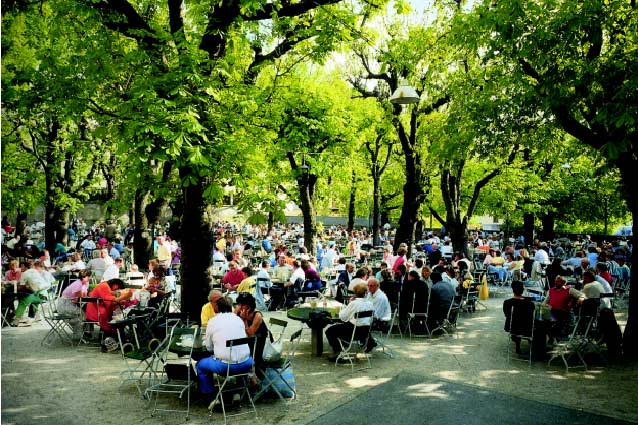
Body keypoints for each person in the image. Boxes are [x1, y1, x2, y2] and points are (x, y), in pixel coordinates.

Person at [196, 296, 253, 408]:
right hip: (247, 362)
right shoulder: (238, 320)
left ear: (217, 307)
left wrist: (216, 348)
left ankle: (212, 398)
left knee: (200, 365)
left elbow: (209, 347)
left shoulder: (213, 321)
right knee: (240, 359)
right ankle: (238, 392)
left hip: (224, 366)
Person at [325, 283, 374, 360]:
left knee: (329, 330)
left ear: (355, 293)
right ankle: (342, 347)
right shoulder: (370, 304)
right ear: (366, 293)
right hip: (365, 332)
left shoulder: (354, 303)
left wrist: (347, 306)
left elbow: (343, 317)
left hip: (353, 331)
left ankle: (338, 351)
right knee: (341, 326)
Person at [12, 260, 51, 326]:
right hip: (45, 294)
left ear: (24, 266)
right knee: (28, 298)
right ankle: (30, 317)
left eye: (21, 267)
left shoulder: (24, 274)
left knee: (23, 301)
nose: (20, 268)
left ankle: (16, 320)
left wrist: (21, 286)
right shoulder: (34, 271)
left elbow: (21, 287)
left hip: (39, 295)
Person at [235, 293, 269, 367]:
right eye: (239, 304)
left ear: (250, 306)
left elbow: (250, 334)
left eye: (243, 305)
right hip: (245, 338)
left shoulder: (257, 315)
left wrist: (244, 320)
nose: (240, 307)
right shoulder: (238, 310)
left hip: (258, 340)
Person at [503, 281, 535, 354]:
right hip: (527, 329)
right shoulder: (530, 303)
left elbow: (507, 315)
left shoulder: (507, 303)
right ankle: (531, 343)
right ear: (522, 290)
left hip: (513, 328)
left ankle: (517, 344)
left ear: (513, 290)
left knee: (515, 324)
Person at [58, 269, 91, 340]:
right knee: (83, 313)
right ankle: (81, 334)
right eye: (88, 277)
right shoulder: (78, 284)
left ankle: (85, 332)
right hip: (65, 304)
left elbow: (83, 296)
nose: (89, 278)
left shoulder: (85, 283)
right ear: (83, 277)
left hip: (71, 302)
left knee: (86, 312)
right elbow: (80, 298)